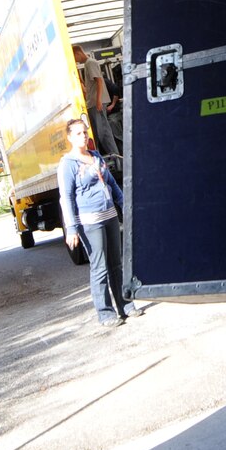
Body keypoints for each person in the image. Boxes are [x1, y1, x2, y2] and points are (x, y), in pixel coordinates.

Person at [59, 116, 140, 329]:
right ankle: (105, 314)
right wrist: (72, 228)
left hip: (109, 216)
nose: (83, 136)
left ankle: (126, 305)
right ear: (70, 138)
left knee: (117, 263)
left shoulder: (95, 157)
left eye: (85, 132)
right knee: (99, 267)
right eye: (78, 133)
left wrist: (124, 205)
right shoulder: (68, 164)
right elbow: (66, 198)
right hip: (89, 222)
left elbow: (112, 183)